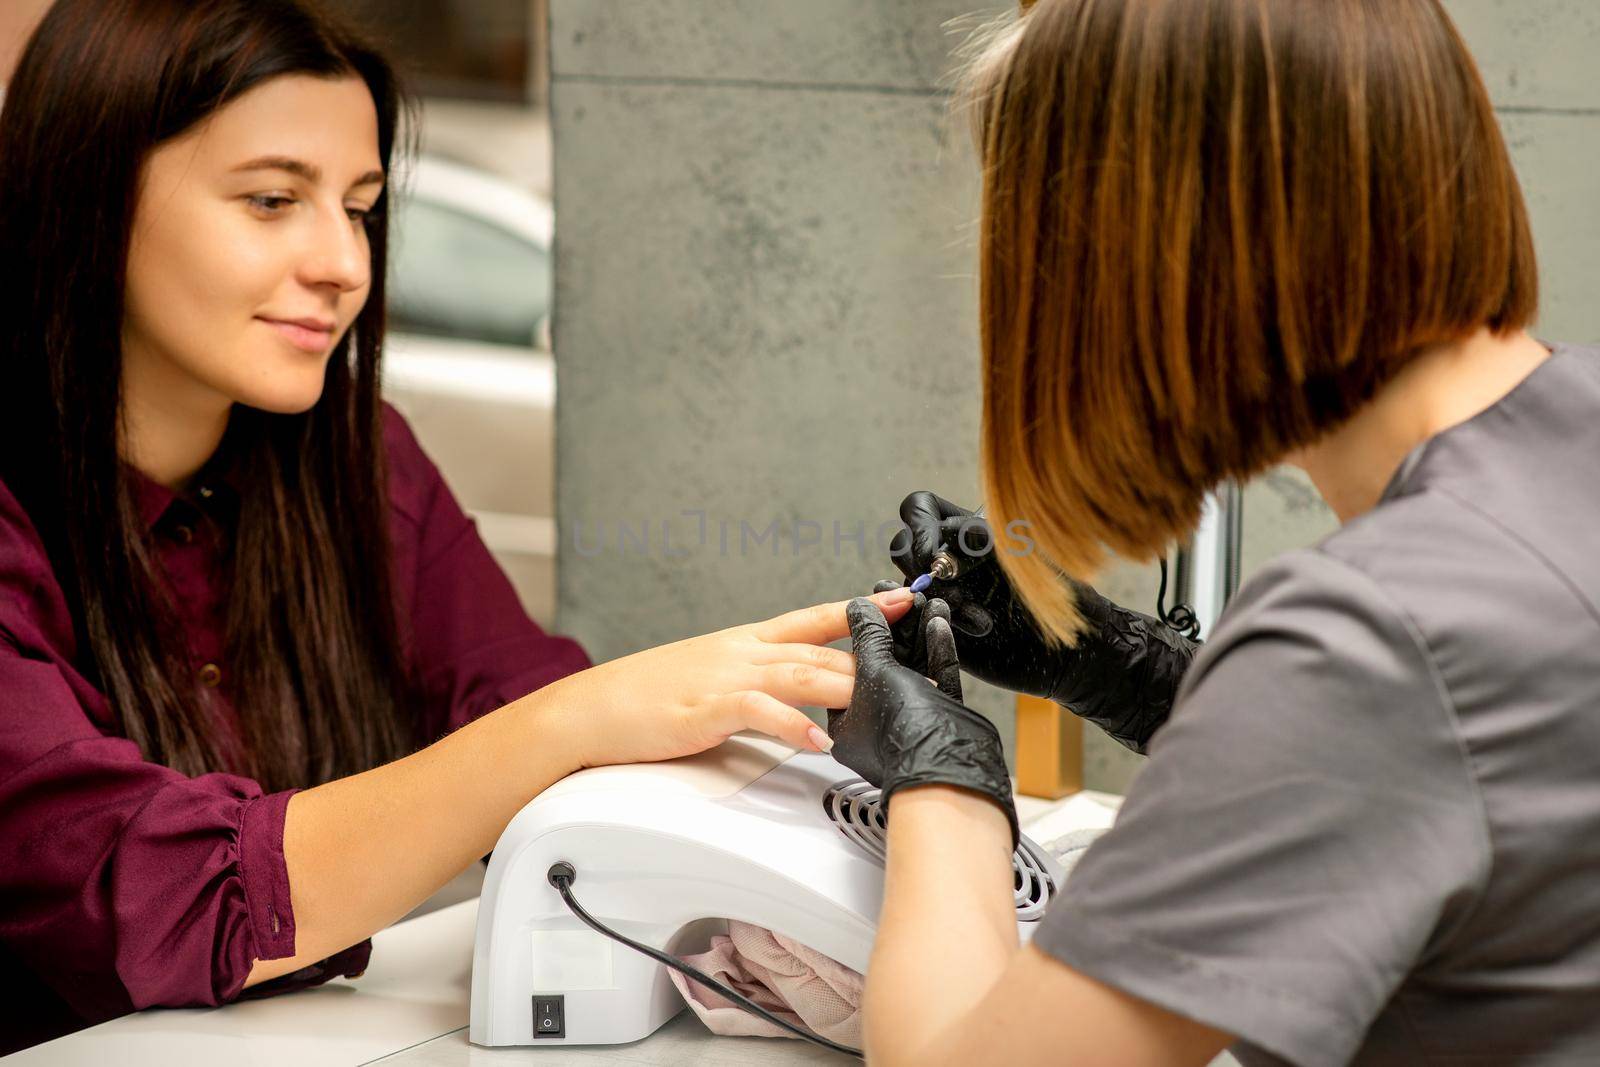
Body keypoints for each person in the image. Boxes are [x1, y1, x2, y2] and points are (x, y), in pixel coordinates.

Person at [0, 0, 913, 1053]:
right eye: (270, 200)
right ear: (88, 196)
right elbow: (156, 891)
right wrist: (573, 720)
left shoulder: (359, 459)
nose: (343, 263)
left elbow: (522, 695)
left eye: (360, 207)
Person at [830, 0, 1600, 1064]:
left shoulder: (1370, 640)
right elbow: (1471, 761)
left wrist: (938, 775)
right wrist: (1135, 673)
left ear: (1144, 261)